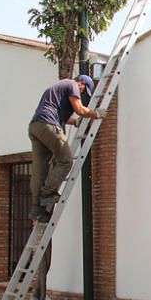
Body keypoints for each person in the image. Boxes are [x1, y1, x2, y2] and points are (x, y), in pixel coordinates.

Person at [28, 74, 106, 222]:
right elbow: (80, 110)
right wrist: (96, 114)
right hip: (48, 126)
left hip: (35, 127)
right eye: (83, 91)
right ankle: (48, 193)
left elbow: (59, 113)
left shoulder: (56, 89)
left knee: (40, 170)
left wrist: (75, 123)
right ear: (81, 83)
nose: (81, 94)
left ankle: (36, 208)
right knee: (66, 160)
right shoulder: (72, 84)